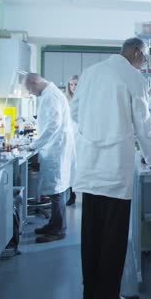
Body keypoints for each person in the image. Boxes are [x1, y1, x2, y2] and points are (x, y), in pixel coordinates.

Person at [71, 37, 151, 299]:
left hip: (90, 165)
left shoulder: (91, 73)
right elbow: (143, 123)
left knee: (91, 235)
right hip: (115, 167)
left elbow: (75, 111)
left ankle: (91, 292)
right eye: (146, 56)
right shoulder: (133, 77)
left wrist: (94, 129)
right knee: (113, 237)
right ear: (137, 52)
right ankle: (108, 294)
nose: (145, 61)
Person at [23, 73, 74, 243]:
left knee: (57, 191)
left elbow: (53, 124)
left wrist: (34, 145)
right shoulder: (50, 93)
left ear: (35, 82)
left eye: (30, 89)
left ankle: (58, 230)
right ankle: (53, 224)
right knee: (55, 191)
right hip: (55, 147)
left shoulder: (51, 95)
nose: (31, 93)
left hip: (55, 148)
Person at [64, 74, 80, 206]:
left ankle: (84, 193)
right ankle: (71, 194)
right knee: (70, 166)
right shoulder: (65, 99)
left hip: (81, 135)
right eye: (71, 84)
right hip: (70, 135)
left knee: (81, 166)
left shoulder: (85, 98)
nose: (73, 87)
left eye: (76, 84)